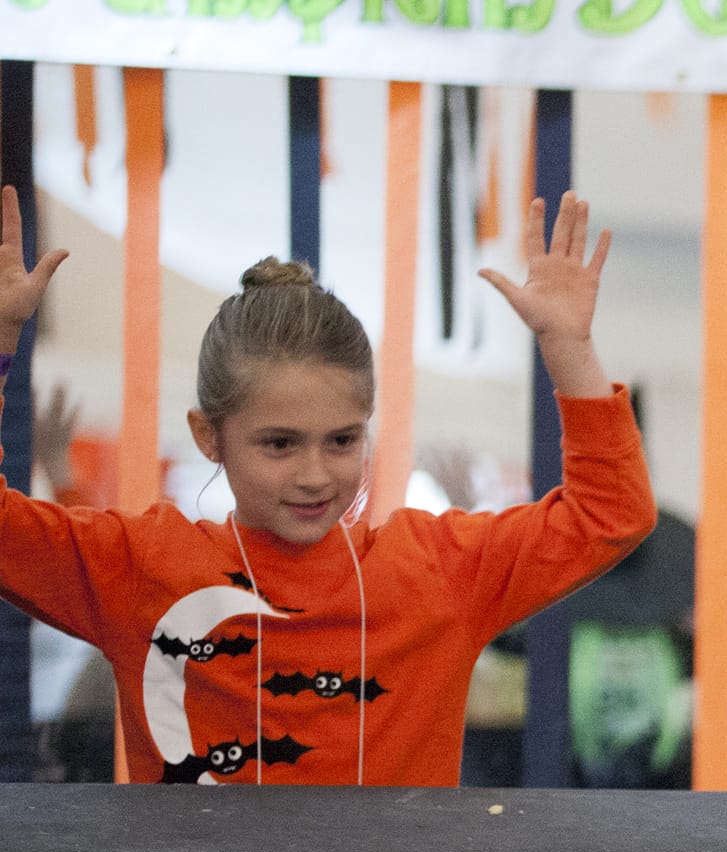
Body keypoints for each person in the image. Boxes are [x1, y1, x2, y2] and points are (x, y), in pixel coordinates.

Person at [0, 186, 654, 786]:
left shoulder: (439, 570)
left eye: (342, 441)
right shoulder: (142, 565)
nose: (315, 474)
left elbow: (610, 512)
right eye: (279, 444)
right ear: (209, 437)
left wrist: (569, 346)